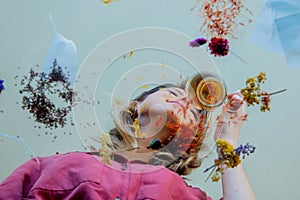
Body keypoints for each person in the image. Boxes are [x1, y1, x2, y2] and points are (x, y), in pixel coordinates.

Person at [0, 73, 256, 200]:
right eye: (173, 92)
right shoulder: (46, 166)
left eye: (196, 112)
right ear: (136, 107)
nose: (186, 100)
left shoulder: (188, 195)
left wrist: (228, 140)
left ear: (191, 142)